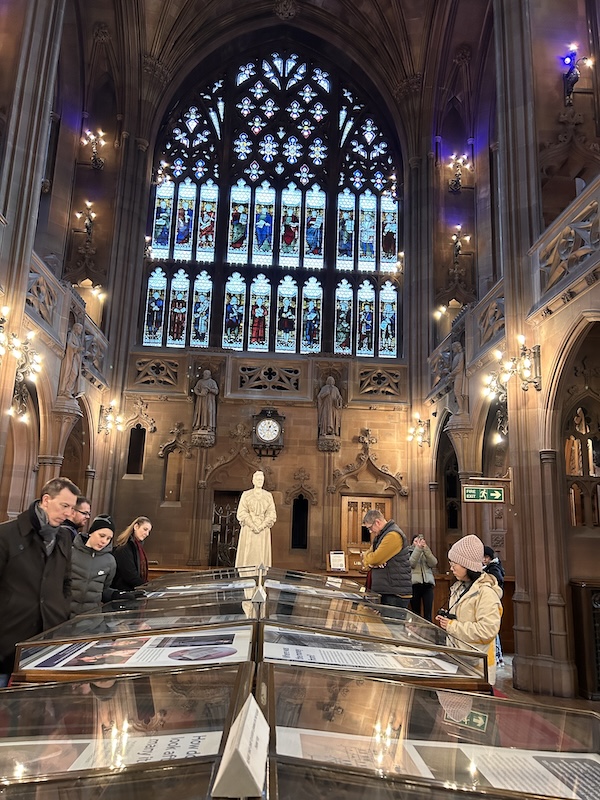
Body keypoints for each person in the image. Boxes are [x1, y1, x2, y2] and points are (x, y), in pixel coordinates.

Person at [0, 476, 80, 685]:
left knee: (32, 711)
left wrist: (62, 609)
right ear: (46, 500)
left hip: (47, 638)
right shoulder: (7, 534)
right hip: (8, 638)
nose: (68, 513)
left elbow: (66, 581)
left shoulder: (63, 537)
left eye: (72, 508)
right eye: (64, 506)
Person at [435, 534, 503, 685]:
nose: (451, 568)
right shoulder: (458, 587)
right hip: (458, 660)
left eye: (455, 564)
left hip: (476, 667)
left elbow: (487, 630)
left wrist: (452, 626)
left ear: (467, 565)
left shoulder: (486, 593)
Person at [361, 509, 412, 609]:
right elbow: (367, 559)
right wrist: (371, 562)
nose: (370, 532)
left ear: (377, 522)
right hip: (387, 591)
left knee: (392, 625)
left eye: (370, 528)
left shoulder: (393, 535)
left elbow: (374, 559)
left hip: (395, 594)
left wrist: (372, 561)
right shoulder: (380, 536)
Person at [71, 515, 120, 617]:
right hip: (65, 618)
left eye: (108, 538)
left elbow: (104, 589)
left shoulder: (110, 561)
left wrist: (118, 595)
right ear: (91, 532)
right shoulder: (70, 553)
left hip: (92, 619)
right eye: (101, 536)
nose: (104, 541)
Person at [235, 471, 277, 568]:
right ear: (253, 481)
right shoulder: (246, 495)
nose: (260, 481)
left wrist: (262, 525)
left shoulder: (268, 496)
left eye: (261, 480)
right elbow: (242, 512)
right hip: (249, 528)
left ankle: (260, 574)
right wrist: (252, 525)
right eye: (258, 479)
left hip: (263, 529)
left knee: (261, 553)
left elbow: (271, 513)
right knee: (248, 552)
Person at [111, 516, 152, 592]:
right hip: (123, 592)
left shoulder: (137, 547)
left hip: (133, 591)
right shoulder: (125, 548)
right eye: (145, 529)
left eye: (149, 531)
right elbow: (130, 575)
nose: (147, 534)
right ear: (136, 526)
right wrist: (147, 587)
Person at [483, 544, 506, 667]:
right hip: (492, 601)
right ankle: (498, 656)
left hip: (493, 601)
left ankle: (497, 656)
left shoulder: (493, 569)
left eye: (484, 557)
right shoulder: (490, 567)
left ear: (488, 557)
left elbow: (496, 581)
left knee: (493, 631)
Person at [409, 534, 438, 621]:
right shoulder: (409, 551)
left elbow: (433, 563)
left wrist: (426, 549)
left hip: (427, 584)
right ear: (412, 543)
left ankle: (428, 632)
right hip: (415, 585)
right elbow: (411, 564)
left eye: (420, 541)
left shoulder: (426, 552)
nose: (418, 543)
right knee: (416, 612)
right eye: (416, 541)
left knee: (428, 612)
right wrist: (418, 549)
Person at [58, 322, 84, 398]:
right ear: (76, 328)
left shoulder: (78, 339)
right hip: (71, 358)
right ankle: (66, 390)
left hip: (76, 359)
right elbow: (69, 344)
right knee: (72, 373)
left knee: (75, 374)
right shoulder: (71, 335)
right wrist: (76, 348)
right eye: (80, 329)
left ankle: (68, 390)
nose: (81, 331)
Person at [449, 341, 468, 415]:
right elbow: (454, 367)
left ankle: (461, 408)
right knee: (456, 392)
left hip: (459, 376)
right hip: (456, 376)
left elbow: (459, 367)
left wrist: (452, 374)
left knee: (457, 392)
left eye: (454, 348)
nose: (453, 349)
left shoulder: (461, 355)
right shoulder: (456, 356)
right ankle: (460, 408)